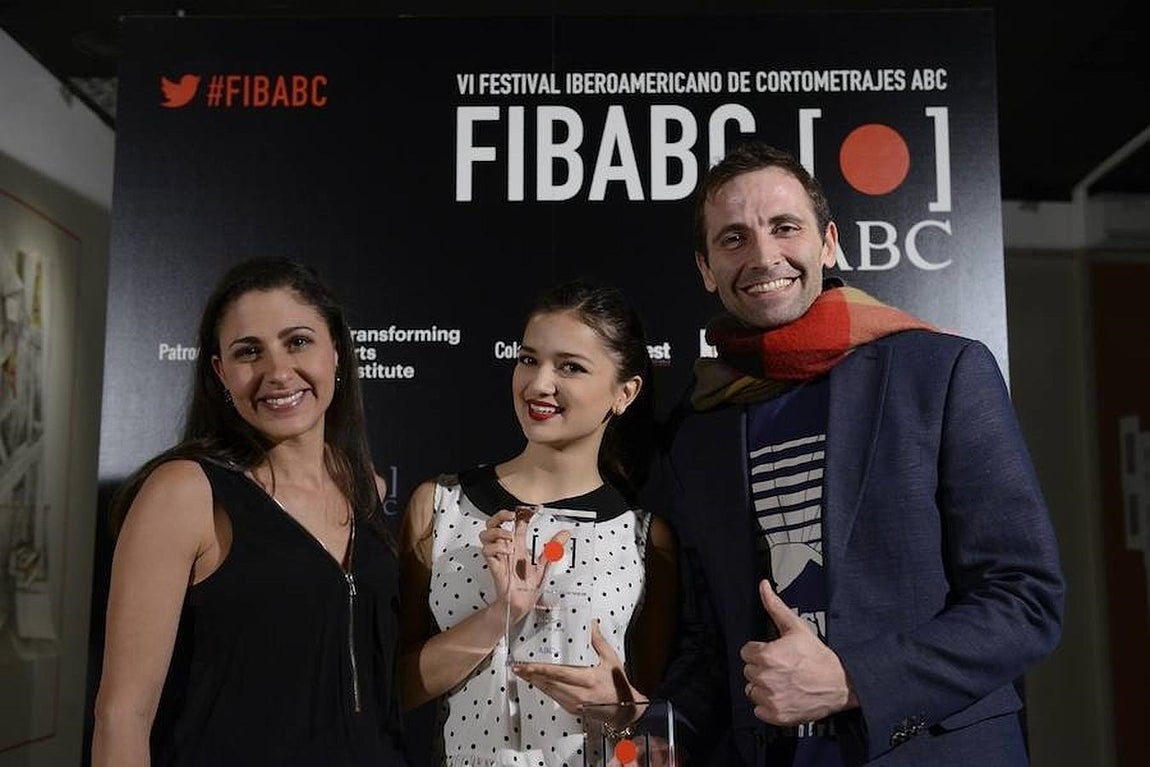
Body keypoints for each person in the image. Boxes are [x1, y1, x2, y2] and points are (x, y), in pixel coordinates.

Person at [646, 141, 1065, 766]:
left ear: (828, 243)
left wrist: (852, 679)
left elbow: (1024, 598)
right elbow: (712, 640)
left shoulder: (942, 371)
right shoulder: (698, 425)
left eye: (785, 228)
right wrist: (661, 727)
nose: (764, 256)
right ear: (706, 268)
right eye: (733, 239)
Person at [91, 257, 408, 766]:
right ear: (220, 372)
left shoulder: (365, 488)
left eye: (298, 341)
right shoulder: (184, 493)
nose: (278, 372)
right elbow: (121, 716)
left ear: (337, 354)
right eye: (248, 352)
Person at [398, 278, 677, 767]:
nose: (538, 383)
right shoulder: (439, 506)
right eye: (529, 359)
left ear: (625, 392)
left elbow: (650, 737)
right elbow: (395, 688)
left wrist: (625, 711)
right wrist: (499, 615)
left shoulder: (643, 538)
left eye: (570, 367)